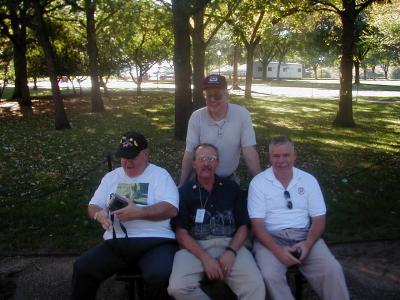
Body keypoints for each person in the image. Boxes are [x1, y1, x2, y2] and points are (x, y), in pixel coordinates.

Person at [71, 131, 179, 300]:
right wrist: (98, 215)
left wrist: (140, 213)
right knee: (82, 268)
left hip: (155, 242)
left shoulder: (160, 175)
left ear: (146, 154)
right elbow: (93, 205)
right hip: (117, 243)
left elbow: (171, 208)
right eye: (123, 157)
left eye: (132, 157)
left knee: (160, 275)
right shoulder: (111, 177)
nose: (127, 163)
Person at [248, 136, 350, 300]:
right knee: (269, 275)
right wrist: (277, 251)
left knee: (332, 269)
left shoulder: (308, 180)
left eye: (286, 155)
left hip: (304, 236)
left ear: (295, 156)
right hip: (270, 238)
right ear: (269, 157)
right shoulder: (258, 183)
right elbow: (257, 225)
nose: (281, 160)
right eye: (276, 156)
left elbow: (318, 218)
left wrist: (308, 244)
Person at [168, 143, 265, 300]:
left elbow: (243, 226)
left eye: (211, 159)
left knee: (255, 286)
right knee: (177, 287)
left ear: (217, 163)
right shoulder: (184, 192)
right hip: (195, 248)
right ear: (193, 163)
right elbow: (181, 233)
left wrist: (231, 252)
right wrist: (205, 258)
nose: (206, 163)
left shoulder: (232, 188)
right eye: (201, 159)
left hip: (230, 245)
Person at [179, 74, 261, 185]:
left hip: (229, 179)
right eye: (208, 96)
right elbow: (189, 153)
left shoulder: (242, 114)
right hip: (201, 179)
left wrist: (261, 183)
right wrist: (182, 185)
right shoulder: (196, 117)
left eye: (217, 96)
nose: (213, 100)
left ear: (227, 95)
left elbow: (249, 151)